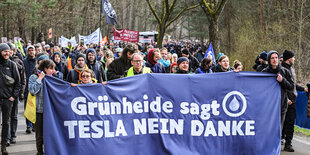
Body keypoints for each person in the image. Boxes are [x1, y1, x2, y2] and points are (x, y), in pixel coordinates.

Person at [281, 50, 308, 152]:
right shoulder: (282, 69)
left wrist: (303, 89)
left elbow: (293, 84)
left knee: (290, 123)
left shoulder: (292, 69)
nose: (294, 59)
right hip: (284, 100)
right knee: (281, 123)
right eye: (293, 57)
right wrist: (286, 98)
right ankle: (278, 140)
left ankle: (288, 144)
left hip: (293, 99)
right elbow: (282, 85)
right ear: (289, 58)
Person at [28, 59, 56, 155]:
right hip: (39, 111)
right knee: (39, 135)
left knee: (50, 134)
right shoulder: (34, 77)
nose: (53, 71)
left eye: (54, 69)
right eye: (51, 69)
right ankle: (40, 152)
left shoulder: (53, 78)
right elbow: (32, 90)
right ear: (45, 68)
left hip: (51, 111)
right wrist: (39, 79)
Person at [262, 50, 294, 132]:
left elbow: (291, 86)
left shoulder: (285, 71)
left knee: (279, 128)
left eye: (276, 57)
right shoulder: (264, 72)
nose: (275, 60)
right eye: (272, 58)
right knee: (268, 128)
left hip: (281, 104)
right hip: (268, 105)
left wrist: (282, 80)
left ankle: (277, 144)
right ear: (269, 60)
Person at [0, 43, 21, 155]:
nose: (7, 53)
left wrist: (13, 96)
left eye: (8, 51)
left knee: (6, 122)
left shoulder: (12, 65)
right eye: (4, 51)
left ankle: (3, 146)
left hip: (8, 99)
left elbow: (18, 82)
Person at [7, 43, 26, 145]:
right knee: (5, 117)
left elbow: (22, 79)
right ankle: (7, 136)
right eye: (6, 50)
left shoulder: (18, 62)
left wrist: (21, 92)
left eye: (10, 50)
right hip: (3, 95)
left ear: (13, 51)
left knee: (13, 116)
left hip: (14, 94)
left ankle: (13, 135)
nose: (8, 52)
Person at [22, 45, 36, 134]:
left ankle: (34, 124)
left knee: (35, 107)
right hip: (26, 89)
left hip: (36, 88)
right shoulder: (23, 62)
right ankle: (28, 125)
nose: (31, 52)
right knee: (27, 108)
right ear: (27, 52)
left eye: (32, 50)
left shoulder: (38, 62)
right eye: (29, 50)